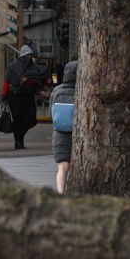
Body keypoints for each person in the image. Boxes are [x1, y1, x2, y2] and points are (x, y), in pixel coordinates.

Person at [2, 44, 47, 149]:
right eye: (27, 56)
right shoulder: (13, 67)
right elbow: (6, 82)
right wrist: (4, 95)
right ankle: (18, 141)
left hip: (27, 97)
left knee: (30, 119)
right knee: (17, 121)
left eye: (30, 55)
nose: (29, 58)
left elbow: (40, 80)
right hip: (14, 97)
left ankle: (19, 139)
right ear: (22, 56)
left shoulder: (35, 68)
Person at [49, 60, 78, 193]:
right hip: (78, 133)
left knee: (63, 166)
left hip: (60, 133)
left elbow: (51, 112)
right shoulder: (82, 90)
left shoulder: (57, 90)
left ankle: (61, 193)